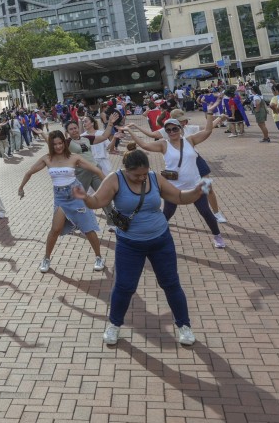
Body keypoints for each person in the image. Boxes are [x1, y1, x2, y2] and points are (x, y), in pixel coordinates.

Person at [71, 144, 207, 346]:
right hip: (129, 244)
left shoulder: (153, 177)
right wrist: (86, 199)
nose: (142, 178)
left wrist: (195, 192)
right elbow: (97, 201)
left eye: (145, 173)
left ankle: (184, 326)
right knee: (124, 286)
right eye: (137, 175)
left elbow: (178, 197)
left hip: (161, 240)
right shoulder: (115, 179)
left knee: (170, 283)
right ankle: (114, 325)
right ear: (126, 170)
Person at [125, 104, 227, 248]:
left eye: (174, 128)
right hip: (173, 187)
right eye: (168, 130)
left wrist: (210, 113)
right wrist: (130, 130)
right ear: (166, 132)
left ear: (180, 129)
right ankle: (154, 237)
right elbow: (144, 145)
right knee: (166, 214)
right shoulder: (163, 145)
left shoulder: (190, 140)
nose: (172, 132)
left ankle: (217, 236)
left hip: (197, 184)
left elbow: (208, 130)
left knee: (206, 212)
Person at [17, 130, 107, 274]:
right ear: (51, 145)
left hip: (76, 193)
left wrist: (108, 189)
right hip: (60, 197)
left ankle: (99, 257)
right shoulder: (47, 159)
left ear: (64, 143)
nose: (58, 146)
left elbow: (97, 170)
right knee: (55, 229)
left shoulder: (73, 157)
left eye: (60, 143)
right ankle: (46, 258)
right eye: (55, 144)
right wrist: (21, 187)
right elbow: (29, 172)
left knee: (88, 228)